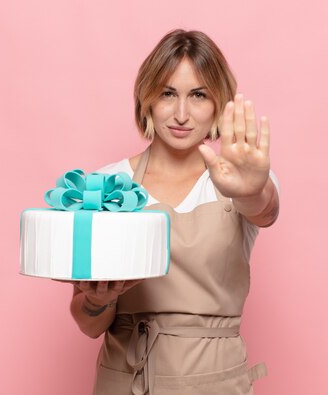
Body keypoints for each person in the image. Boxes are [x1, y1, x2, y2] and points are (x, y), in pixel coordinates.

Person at [66, 29, 279, 394]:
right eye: (168, 93)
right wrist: (98, 301)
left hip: (216, 384)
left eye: (198, 95)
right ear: (147, 99)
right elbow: (88, 323)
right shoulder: (106, 184)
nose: (182, 113)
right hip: (126, 382)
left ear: (218, 103)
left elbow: (264, 211)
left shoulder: (240, 178)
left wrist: (252, 190)